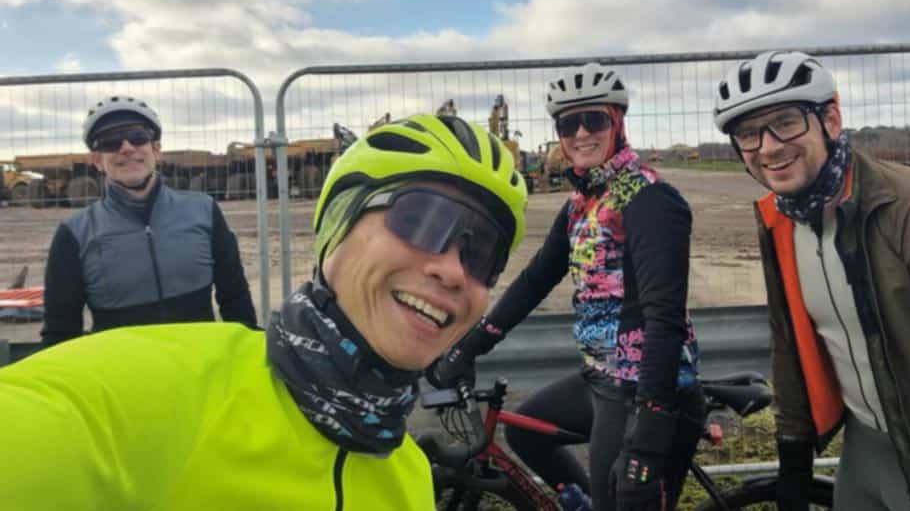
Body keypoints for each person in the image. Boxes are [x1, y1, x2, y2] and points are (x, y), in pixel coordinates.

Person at [0, 113, 527, 510]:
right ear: (337, 229)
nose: (453, 271)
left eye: (482, 254)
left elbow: (233, 290)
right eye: (422, 220)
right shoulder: (124, 396)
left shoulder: (408, 478)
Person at [430, 62, 704, 511]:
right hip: (601, 378)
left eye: (593, 120)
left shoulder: (650, 198)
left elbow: (664, 317)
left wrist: (651, 431)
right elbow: (536, 279)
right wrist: (469, 348)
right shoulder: (583, 202)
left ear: (617, 123)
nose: (580, 134)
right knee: (525, 432)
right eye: (567, 124)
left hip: (647, 390)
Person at [713, 50, 910, 510]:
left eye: (786, 122)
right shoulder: (782, 221)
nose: (769, 147)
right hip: (866, 448)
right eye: (749, 134)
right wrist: (794, 456)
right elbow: (789, 343)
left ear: (830, 119)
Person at [40, 95, 258, 344]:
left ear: (156, 149)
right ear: (97, 161)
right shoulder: (74, 233)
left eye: (137, 136)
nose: (126, 147)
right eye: (110, 141)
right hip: (121, 368)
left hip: (198, 363)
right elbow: (60, 332)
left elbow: (236, 299)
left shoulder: (204, 211)